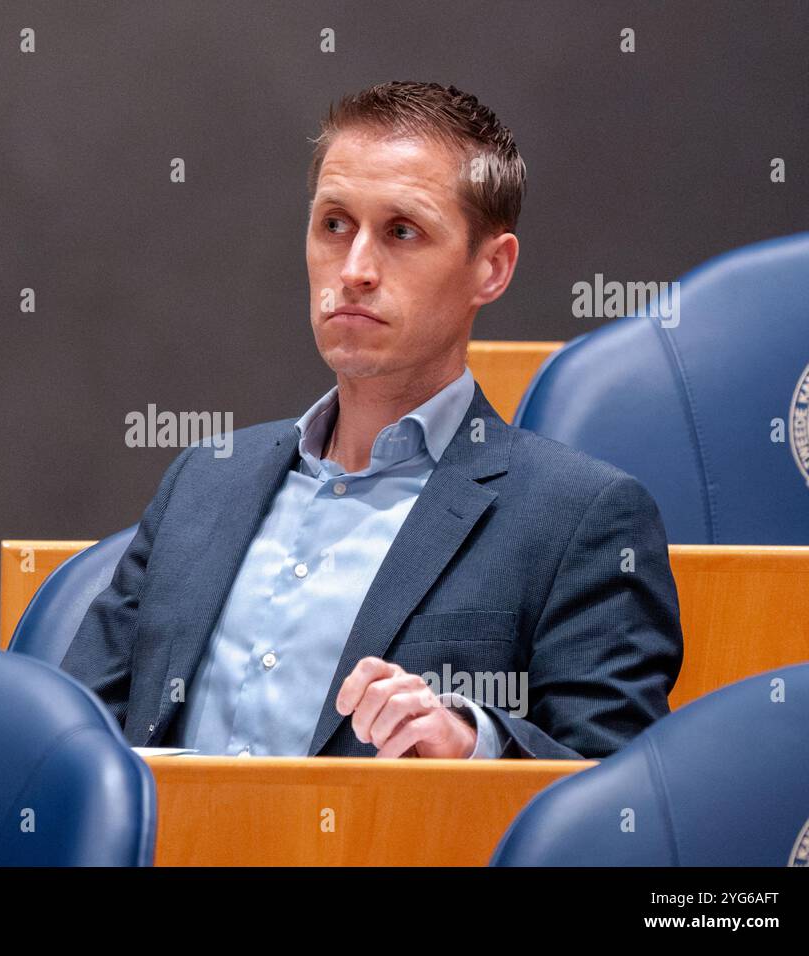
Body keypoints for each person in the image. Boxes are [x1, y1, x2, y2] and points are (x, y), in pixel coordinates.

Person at [61, 81, 683, 759]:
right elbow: (66, 736)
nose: (353, 270)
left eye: (402, 231)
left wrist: (474, 747)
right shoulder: (205, 480)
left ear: (491, 268)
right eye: (334, 224)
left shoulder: (580, 519)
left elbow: (618, 805)